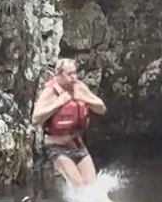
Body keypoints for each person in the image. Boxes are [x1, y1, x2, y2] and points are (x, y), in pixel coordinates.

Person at [31, 58, 107, 191]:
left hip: (77, 144)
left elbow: (102, 109)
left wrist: (84, 98)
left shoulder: (79, 87)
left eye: (75, 73)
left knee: (92, 188)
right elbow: (35, 119)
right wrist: (57, 104)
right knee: (80, 188)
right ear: (58, 75)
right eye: (69, 74)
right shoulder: (50, 92)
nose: (74, 77)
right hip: (56, 147)